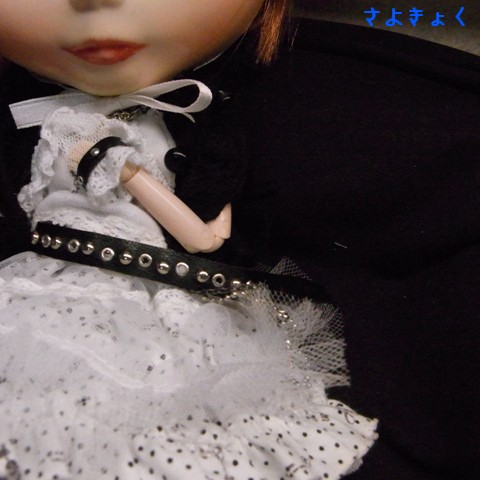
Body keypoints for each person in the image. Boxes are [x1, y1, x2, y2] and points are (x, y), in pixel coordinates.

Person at [0, 1, 378, 479]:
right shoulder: (89, 134)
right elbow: (187, 228)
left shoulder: (149, 117)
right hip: (97, 272)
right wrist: (205, 231)